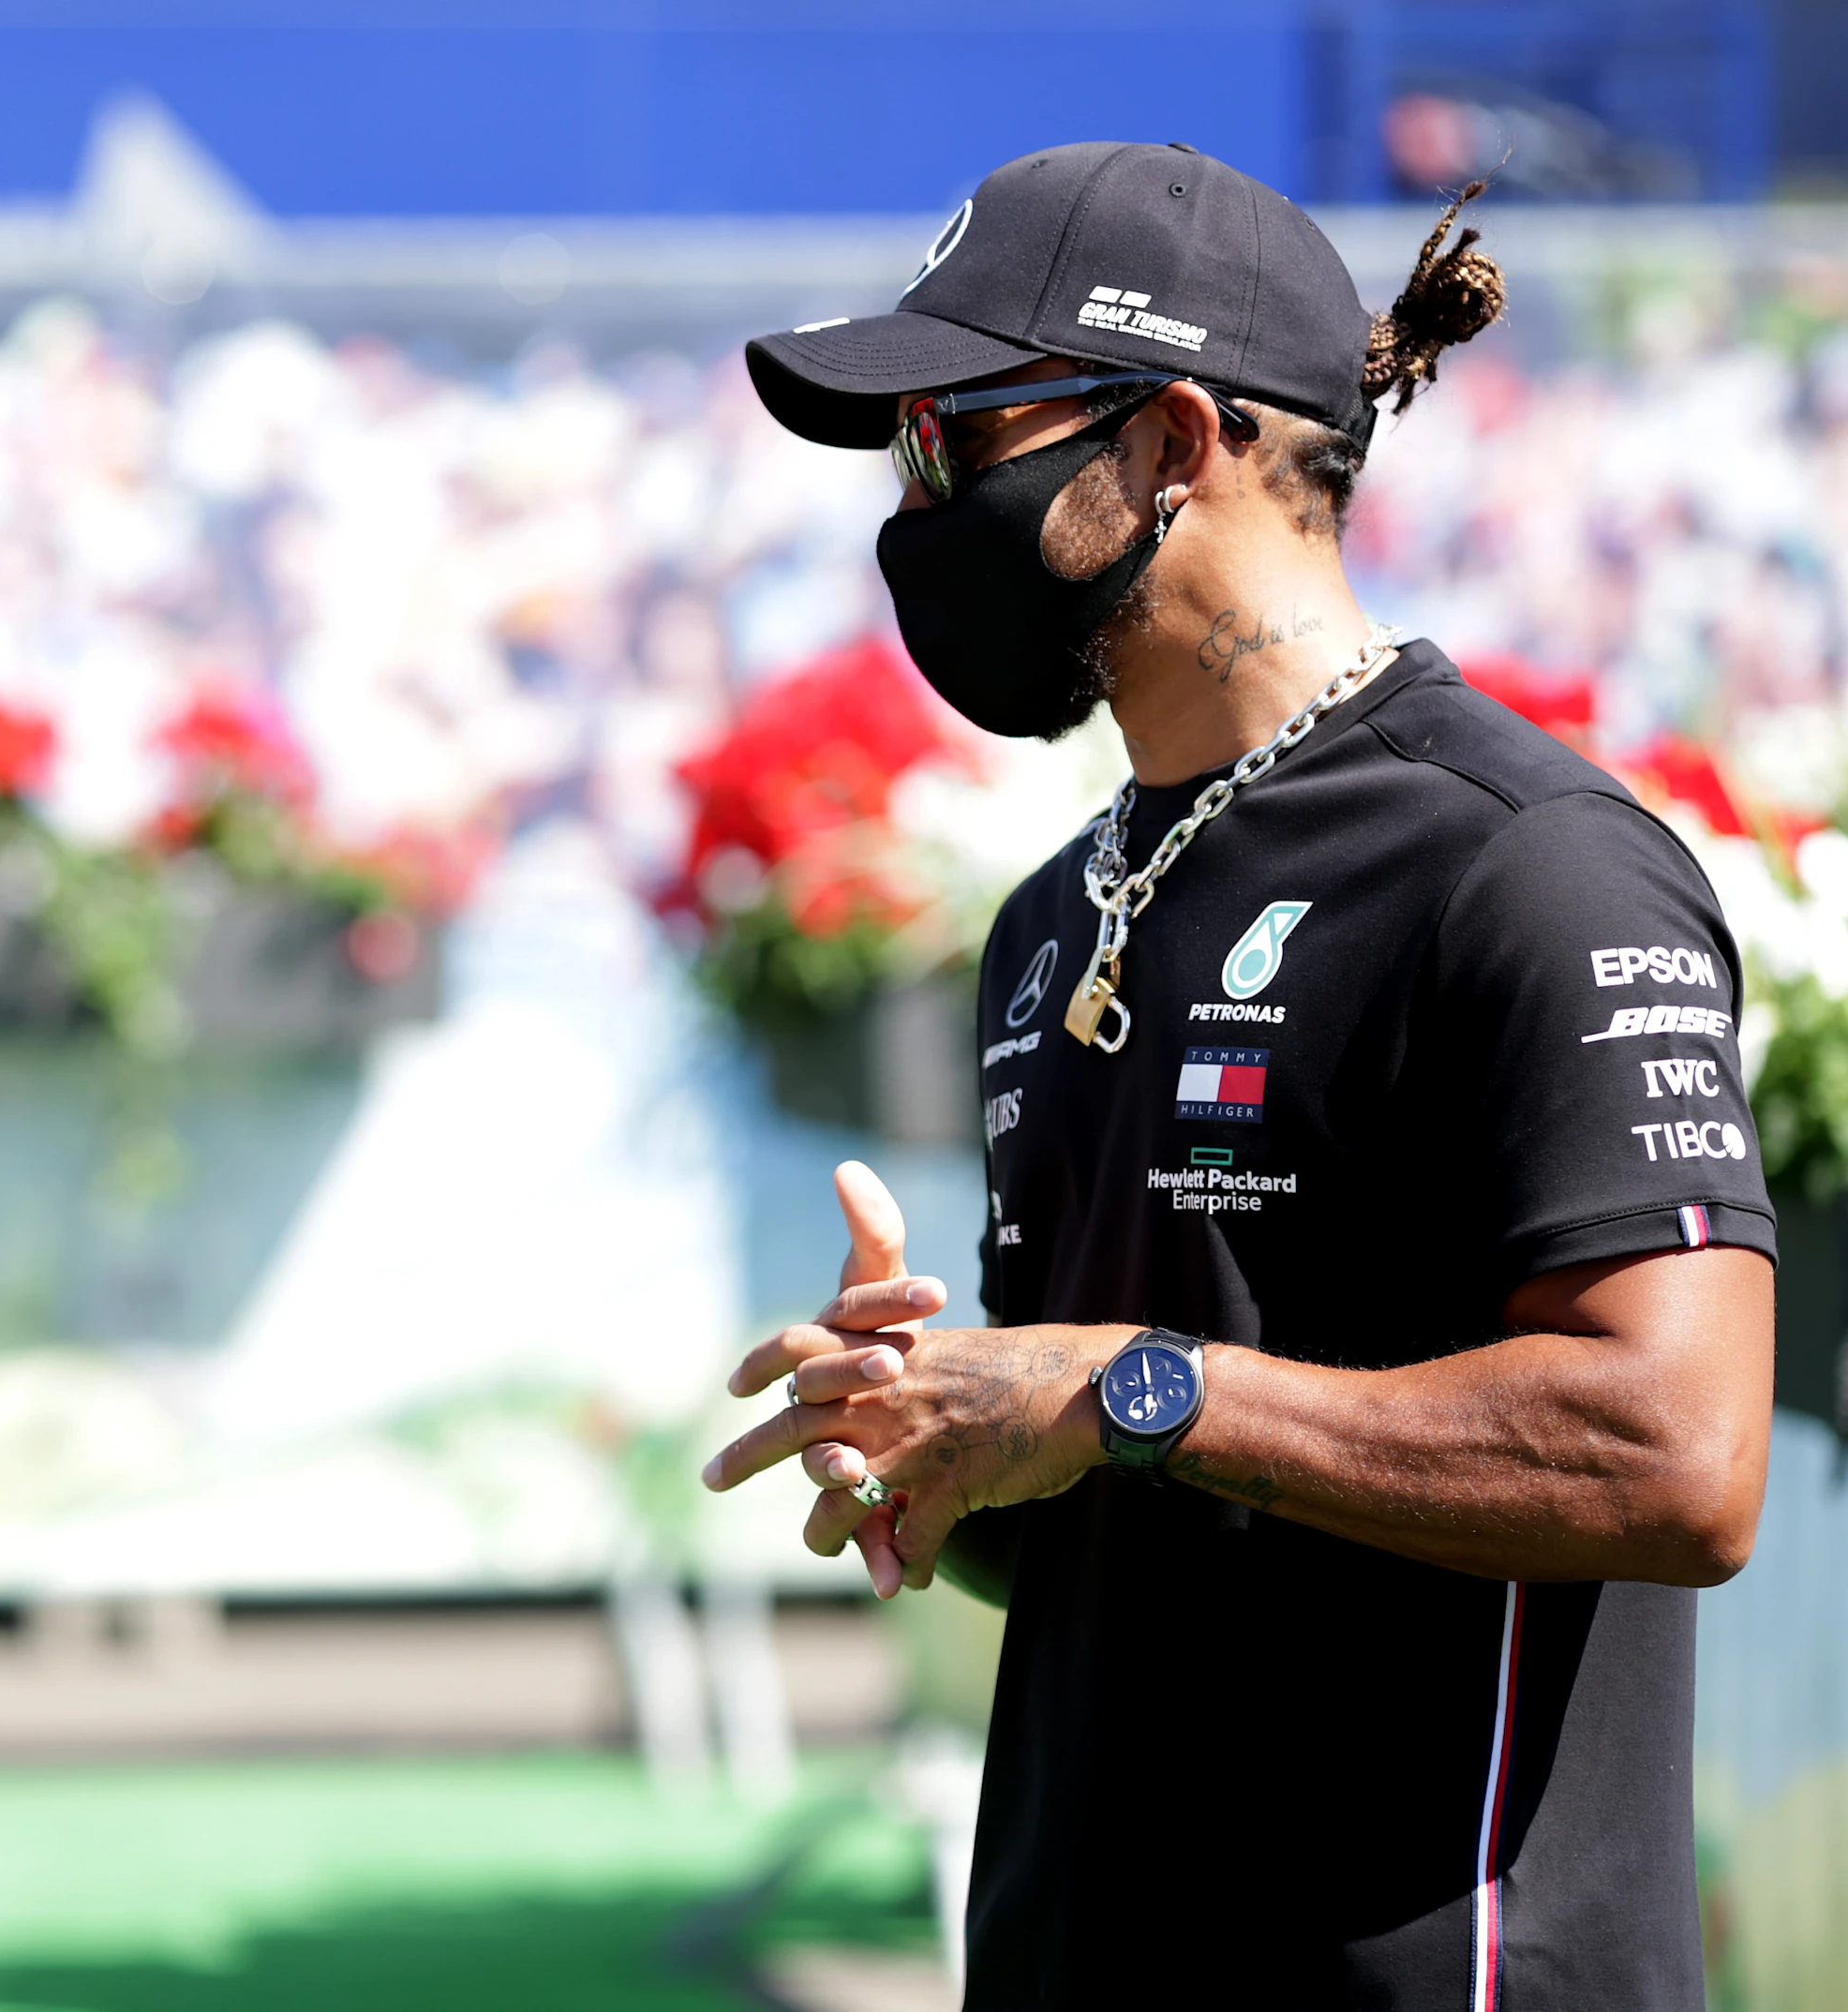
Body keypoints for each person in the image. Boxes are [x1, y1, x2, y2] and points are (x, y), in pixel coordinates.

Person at [703, 142, 1776, 2009]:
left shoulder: (1526, 859)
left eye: (956, 434)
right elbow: (1135, 1502)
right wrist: (950, 1440)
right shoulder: (1052, 916)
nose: (915, 496)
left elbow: (1680, 1453)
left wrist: (1127, 1384)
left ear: (1174, 440)